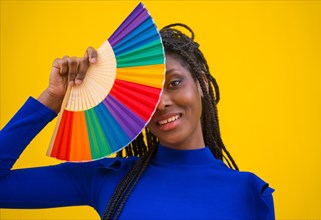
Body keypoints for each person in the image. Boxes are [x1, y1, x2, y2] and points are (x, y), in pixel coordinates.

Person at [0, 23, 275, 219]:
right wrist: (51, 98)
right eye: (148, 94)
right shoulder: (108, 177)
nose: (162, 102)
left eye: (174, 83)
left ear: (201, 83)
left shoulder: (249, 193)